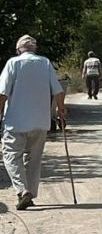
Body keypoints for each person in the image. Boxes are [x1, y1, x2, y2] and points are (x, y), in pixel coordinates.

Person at [0, 35, 66, 210]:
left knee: (11, 156)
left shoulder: (13, 63)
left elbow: (2, 93)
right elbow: (58, 91)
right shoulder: (45, 63)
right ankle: (29, 193)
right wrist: (61, 110)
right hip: (40, 121)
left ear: (18, 49)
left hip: (16, 121)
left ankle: (22, 191)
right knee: (34, 159)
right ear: (35, 49)